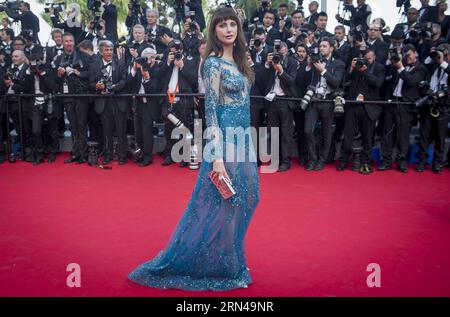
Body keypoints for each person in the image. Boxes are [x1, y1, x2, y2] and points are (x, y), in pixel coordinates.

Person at [128, 6, 260, 291]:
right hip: (223, 139)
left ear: (238, 29)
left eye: (232, 24)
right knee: (227, 201)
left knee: (249, 197)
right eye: (222, 25)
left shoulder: (241, 62)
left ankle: (228, 256)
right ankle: (227, 264)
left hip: (242, 138)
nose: (228, 29)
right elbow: (211, 110)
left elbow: (245, 105)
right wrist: (216, 157)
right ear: (214, 31)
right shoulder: (212, 64)